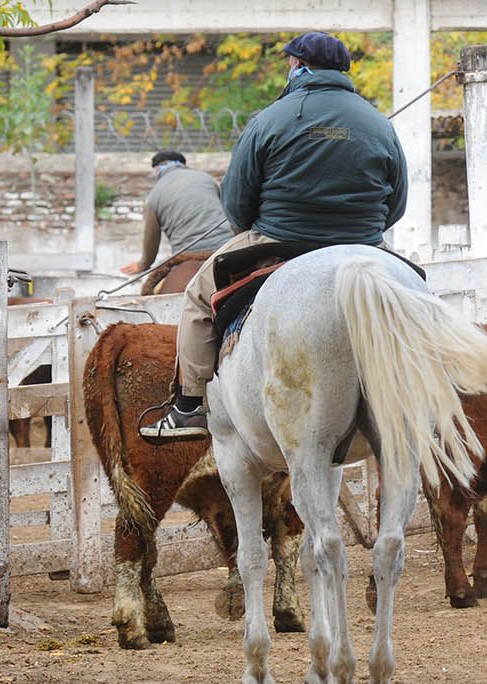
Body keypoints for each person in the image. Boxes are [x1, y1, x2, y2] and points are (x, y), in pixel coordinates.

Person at [141, 31, 409, 442]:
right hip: (363, 243)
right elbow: (398, 204)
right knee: (416, 290)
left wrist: (260, 226)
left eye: (290, 62)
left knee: (197, 296)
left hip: (281, 238)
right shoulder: (378, 122)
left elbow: (235, 205)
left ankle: (189, 406)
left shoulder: (269, 119)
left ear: (299, 66)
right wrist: (361, 229)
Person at [120, 150, 231, 276]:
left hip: (187, 254)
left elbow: (152, 238)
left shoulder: (154, 195)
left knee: (152, 288)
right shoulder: (206, 178)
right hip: (226, 245)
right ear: (183, 164)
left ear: (156, 169)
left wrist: (142, 265)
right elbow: (230, 210)